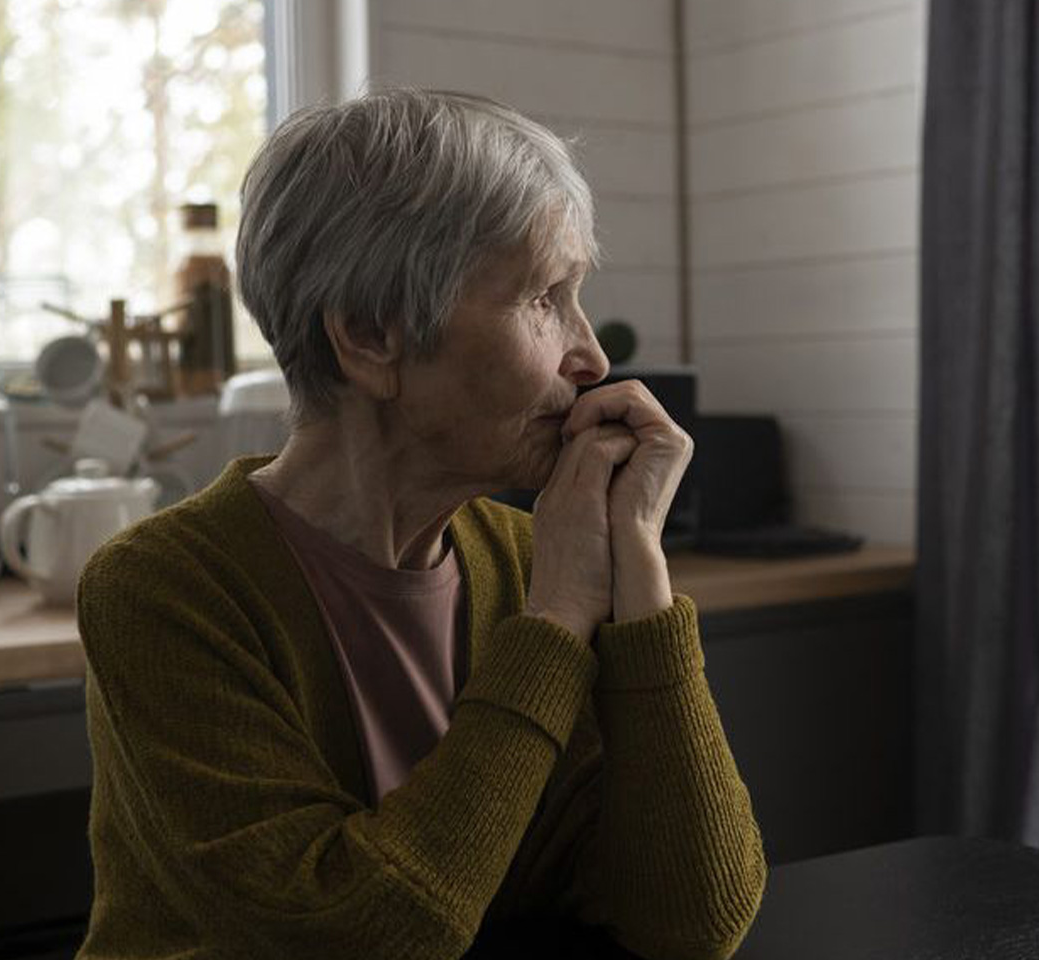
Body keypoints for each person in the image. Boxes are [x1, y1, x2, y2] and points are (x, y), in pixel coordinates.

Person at [74, 88, 767, 960]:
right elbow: (359, 936)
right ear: (369, 337)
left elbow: (695, 919)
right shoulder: (163, 589)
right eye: (544, 298)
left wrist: (638, 571)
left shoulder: (530, 560)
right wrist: (555, 624)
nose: (591, 357)